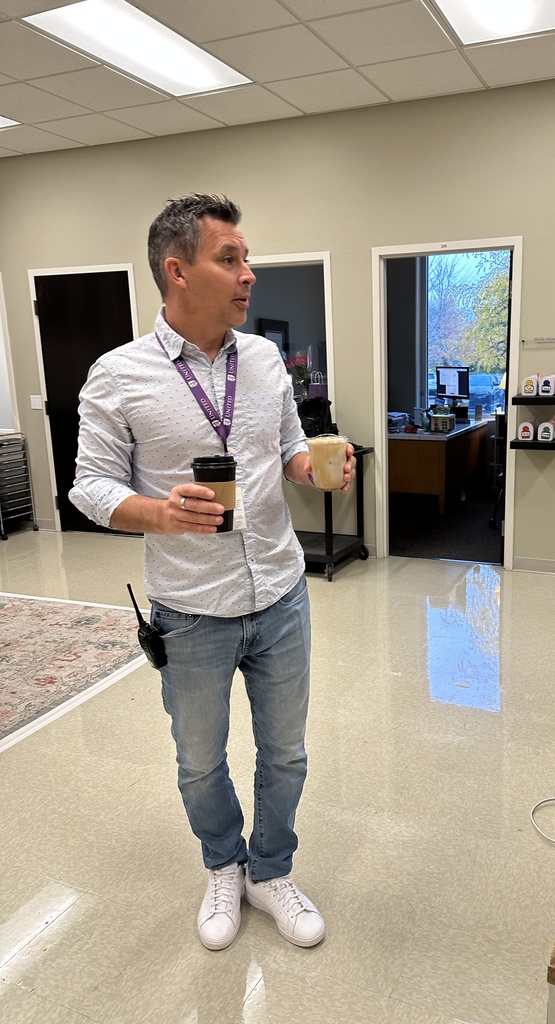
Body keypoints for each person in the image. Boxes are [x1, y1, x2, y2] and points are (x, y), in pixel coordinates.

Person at [70, 194, 355, 952]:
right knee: (199, 762)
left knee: (286, 753)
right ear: (178, 271)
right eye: (229, 259)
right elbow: (89, 487)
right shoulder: (117, 376)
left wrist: (317, 470)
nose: (249, 275)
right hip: (190, 610)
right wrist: (159, 513)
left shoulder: (262, 360)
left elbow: (289, 449)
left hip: (281, 594)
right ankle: (223, 864)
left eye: (245, 258)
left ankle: (271, 869)